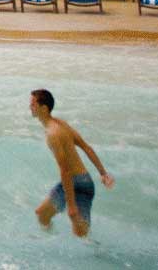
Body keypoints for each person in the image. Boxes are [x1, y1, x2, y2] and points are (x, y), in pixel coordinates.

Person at [30, 89, 115, 238]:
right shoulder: (61, 124)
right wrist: (103, 173)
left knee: (42, 215)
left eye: (33, 104)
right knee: (81, 233)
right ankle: (92, 248)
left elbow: (65, 170)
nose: (30, 107)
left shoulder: (52, 134)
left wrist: (71, 205)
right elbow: (86, 147)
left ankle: (51, 240)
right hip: (86, 182)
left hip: (74, 182)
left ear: (44, 108)